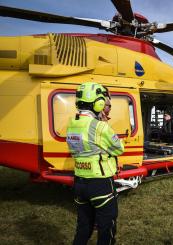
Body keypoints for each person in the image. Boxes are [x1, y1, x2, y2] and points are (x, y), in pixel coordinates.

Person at [66, 82, 124, 245]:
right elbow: (118, 148)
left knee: (83, 226)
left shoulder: (72, 124)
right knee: (107, 227)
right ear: (98, 103)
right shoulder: (100, 127)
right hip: (100, 183)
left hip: (79, 181)